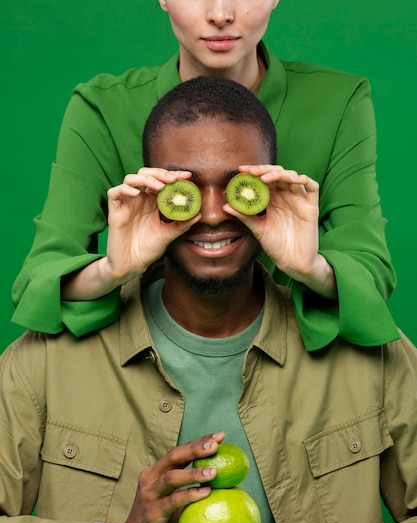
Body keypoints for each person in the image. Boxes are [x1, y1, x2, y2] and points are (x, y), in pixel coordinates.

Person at [1, 76, 417, 523]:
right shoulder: (45, 359)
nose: (216, 213)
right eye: (188, 190)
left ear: (272, 188)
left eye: (239, 186)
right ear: (152, 194)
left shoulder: (372, 353)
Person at [10, 0, 399, 352]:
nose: (220, 14)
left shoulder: (338, 101)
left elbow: (370, 276)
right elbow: (39, 282)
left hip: (296, 360)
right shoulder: (104, 107)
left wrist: (308, 267)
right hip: (146, 351)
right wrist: (114, 269)